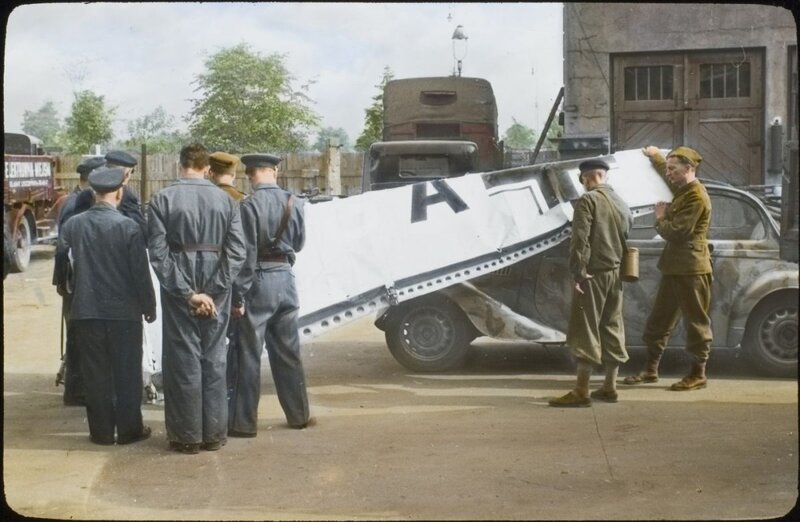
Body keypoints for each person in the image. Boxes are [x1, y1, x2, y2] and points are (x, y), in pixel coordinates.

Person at [147, 143, 246, 454]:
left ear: (180, 166)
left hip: (180, 283)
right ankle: (214, 435)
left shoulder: (162, 199)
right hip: (217, 281)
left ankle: (187, 437)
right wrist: (215, 291)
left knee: (182, 359)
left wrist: (189, 294)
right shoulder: (227, 200)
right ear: (207, 169)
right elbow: (237, 251)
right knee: (214, 359)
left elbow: (158, 254)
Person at [56, 166, 157, 445]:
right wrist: (150, 306)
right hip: (124, 313)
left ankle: (100, 433)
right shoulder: (129, 227)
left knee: (95, 374)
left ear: (92, 192)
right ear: (120, 192)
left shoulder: (73, 224)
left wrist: (66, 289)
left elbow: (62, 262)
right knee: (127, 373)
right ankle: (128, 430)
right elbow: (140, 272)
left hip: (86, 311)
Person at [229, 153, 312, 436]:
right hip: (286, 279)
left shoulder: (248, 206)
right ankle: (298, 415)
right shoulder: (295, 202)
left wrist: (237, 298)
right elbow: (298, 244)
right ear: (274, 171)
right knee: (289, 352)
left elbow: (245, 255)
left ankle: (243, 423)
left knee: (249, 354)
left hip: (258, 281)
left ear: (252, 174)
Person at [623, 146, 712, 391]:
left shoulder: (696, 196)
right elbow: (665, 171)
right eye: (670, 168)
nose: (669, 173)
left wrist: (660, 217)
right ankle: (651, 370)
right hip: (675, 267)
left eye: (674, 169)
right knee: (659, 320)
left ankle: (698, 374)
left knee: (696, 322)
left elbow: (677, 232)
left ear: (690, 169)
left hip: (692, 269)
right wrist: (655, 156)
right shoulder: (684, 188)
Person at [549, 159, 633, 407]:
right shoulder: (621, 201)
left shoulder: (588, 200)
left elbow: (580, 240)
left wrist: (578, 272)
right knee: (612, 326)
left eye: (583, 180)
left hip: (593, 274)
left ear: (587, 178)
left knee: (585, 328)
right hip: (615, 274)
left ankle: (582, 391)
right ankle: (609, 386)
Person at [53, 155, 106, 406]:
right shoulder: (77, 203)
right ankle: (76, 391)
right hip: (77, 278)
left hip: (73, 279)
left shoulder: (72, 200)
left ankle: (79, 388)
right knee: (78, 333)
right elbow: (63, 248)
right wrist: (62, 280)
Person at [208, 151, 247, 409]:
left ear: (211, 173)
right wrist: (240, 296)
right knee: (234, 347)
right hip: (232, 283)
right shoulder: (242, 201)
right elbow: (244, 252)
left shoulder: (207, 198)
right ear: (234, 174)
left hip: (205, 281)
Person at [105, 150, 147, 237]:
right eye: (131, 172)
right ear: (127, 174)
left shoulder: (94, 190)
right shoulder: (126, 195)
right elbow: (141, 231)